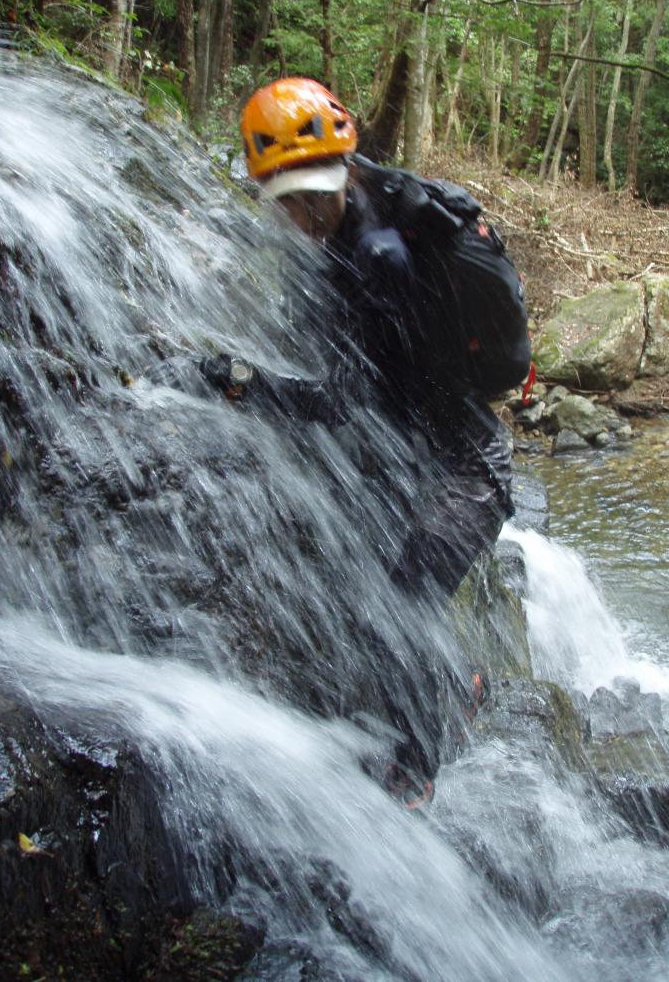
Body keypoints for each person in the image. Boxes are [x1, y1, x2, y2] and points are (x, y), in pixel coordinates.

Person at [159, 78, 531, 807]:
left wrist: (243, 384)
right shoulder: (356, 227)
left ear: (341, 178)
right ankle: (463, 686)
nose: (300, 218)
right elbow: (358, 387)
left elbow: (339, 400)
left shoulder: (384, 255)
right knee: (384, 591)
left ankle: (414, 777)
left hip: (468, 466)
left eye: (311, 200)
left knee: (398, 606)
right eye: (287, 204)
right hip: (418, 448)